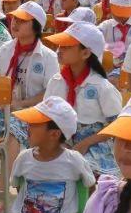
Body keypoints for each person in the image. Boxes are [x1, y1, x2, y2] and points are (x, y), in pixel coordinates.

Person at [45, 22, 123, 176]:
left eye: (67, 46)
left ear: (86, 53)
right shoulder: (57, 81)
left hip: (96, 144)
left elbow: (117, 126)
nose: (59, 50)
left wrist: (85, 144)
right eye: (60, 45)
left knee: (83, 171)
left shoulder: (102, 86)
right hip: (63, 139)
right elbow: (47, 117)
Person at [0, 2, 58, 150]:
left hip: (33, 113)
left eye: (22, 21)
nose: (15, 23)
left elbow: (51, 93)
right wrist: (2, 100)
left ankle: (13, 174)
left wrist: (22, 104)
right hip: (1, 109)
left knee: (13, 133)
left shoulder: (48, 57)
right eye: (15, 19)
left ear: (36, 27)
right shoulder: (5, 49)